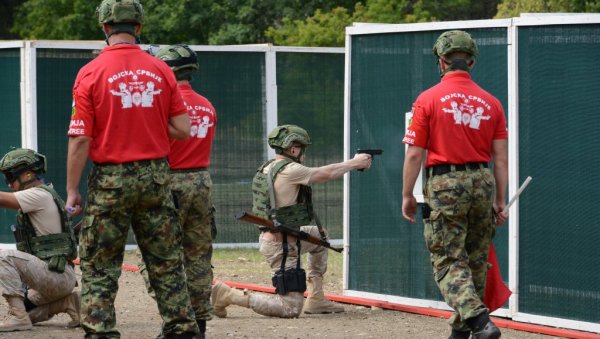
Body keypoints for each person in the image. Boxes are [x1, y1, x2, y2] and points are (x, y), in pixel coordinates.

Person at [65, 1, 200, 338]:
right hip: (155, 177)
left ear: (104, 27)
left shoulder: (90, 72)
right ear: (138, 27)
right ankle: (182, 329)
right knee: (165, 260)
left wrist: (72, 190)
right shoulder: (161, 69)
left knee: (99, 263)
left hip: (110, 181)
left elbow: (80, 139)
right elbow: (182, 128)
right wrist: (147, 125)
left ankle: (100, 331)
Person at [401, 30, 508, 339]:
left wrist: (409, 195)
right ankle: (460, 334)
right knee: (476, 259)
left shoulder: (427, 100)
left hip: (446, 184)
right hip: (482, 181)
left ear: (441, 61)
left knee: (448, 259)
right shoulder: (491, 103)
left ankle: (478, 321)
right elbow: (500, 159)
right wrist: (500, 199)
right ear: (471, 61)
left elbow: (414, 154)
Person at [212, 125, 372, 318]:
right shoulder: (291, 170)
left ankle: (316, 298)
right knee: (290, 309)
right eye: (302, 148)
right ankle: (228, 295)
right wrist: (355, 163)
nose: (303, 154)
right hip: (282, 246)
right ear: (293, 149)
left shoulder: (268, 166)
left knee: (319, 239)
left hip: (282, 237)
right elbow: (327, 173)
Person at [137, 44, 218, 339]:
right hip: (201, 183)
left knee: (156, 258)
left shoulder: (164, 104)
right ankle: (200, 326)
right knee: (198, 257)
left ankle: (176, 324)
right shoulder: (206, 105)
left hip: (168, 182)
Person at [0, 148, 79, 332]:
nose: (9, 184)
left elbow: (3, 199)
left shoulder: (39, 194)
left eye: (11, 177)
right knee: (29, 311)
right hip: (54, 277)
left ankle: (19, 319)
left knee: (3, 257)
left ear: (28, 174)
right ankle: (68, 302)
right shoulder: (43, 193)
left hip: (55, 276)